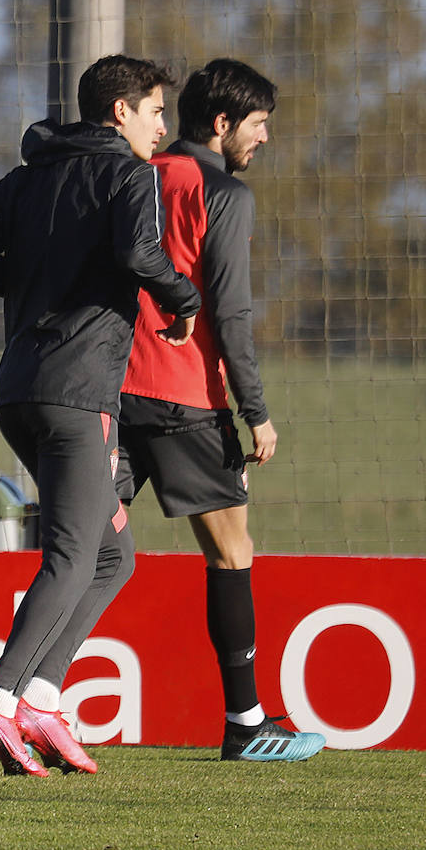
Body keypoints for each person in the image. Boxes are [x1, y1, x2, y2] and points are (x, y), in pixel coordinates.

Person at [0, 55, 201, 777]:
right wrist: (182, 299)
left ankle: (42, 696)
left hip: (19, 392)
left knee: (113, 555)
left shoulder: (22, 179)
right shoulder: (129, 174)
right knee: (72, 554)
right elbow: (137, 252)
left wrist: (36, 283)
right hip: (78, 395)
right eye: (156, 111)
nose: (162, 127)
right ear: (120, 112)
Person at [112, 59, 324, 761]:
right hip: (182, 398)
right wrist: (255, 411)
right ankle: (245, 724)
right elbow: (230, 311)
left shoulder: (134, 173)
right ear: (224, 123)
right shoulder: (223, 192)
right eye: (259, 125)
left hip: (108, 391)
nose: (265, 138)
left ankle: (19, 701)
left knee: (83, 552)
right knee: (233, 552)